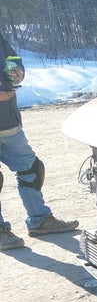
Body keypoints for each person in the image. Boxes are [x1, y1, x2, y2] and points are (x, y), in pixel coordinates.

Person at [1, 30, 78, 250]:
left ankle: (40, 220)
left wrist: (17, 72)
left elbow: (12, 58)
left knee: (32, 170)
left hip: (7, 121)